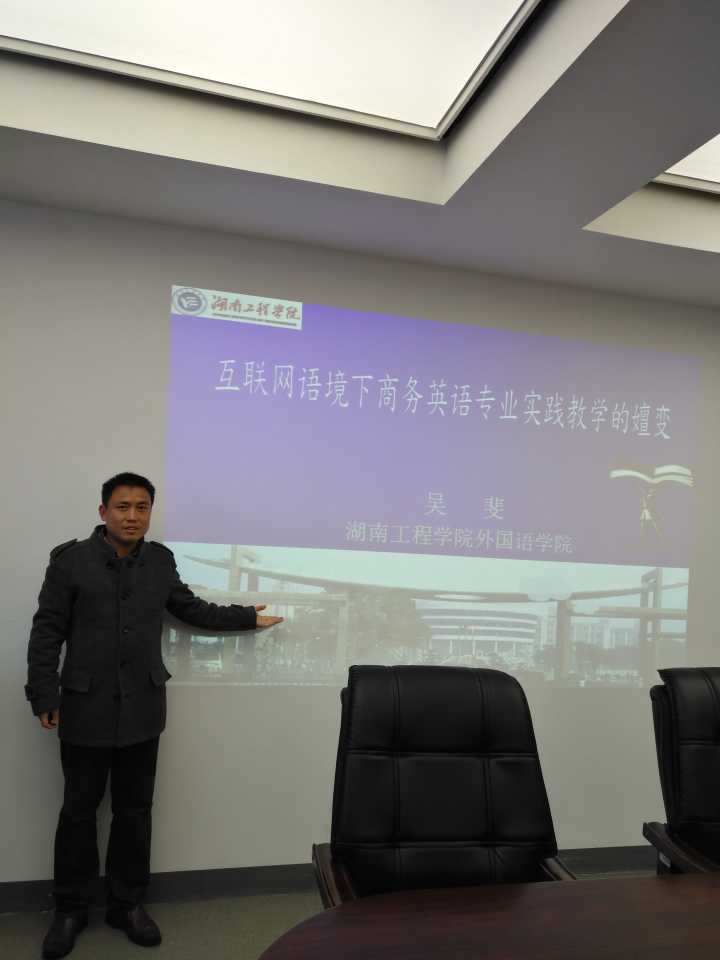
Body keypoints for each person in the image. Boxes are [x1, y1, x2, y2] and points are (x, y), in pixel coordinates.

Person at [25, 472, 283, 959]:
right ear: (103, 512)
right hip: (83, 708)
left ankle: (126, 906)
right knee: (78, 814)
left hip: (143, 709)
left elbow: (191, 609)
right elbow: (47, 631)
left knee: (135, 813)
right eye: (122, 507)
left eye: (141, 507)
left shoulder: (160, 561)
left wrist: (245, 616)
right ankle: (70, 910)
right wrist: (44, 694)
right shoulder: (70, 562)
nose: (132, 516)